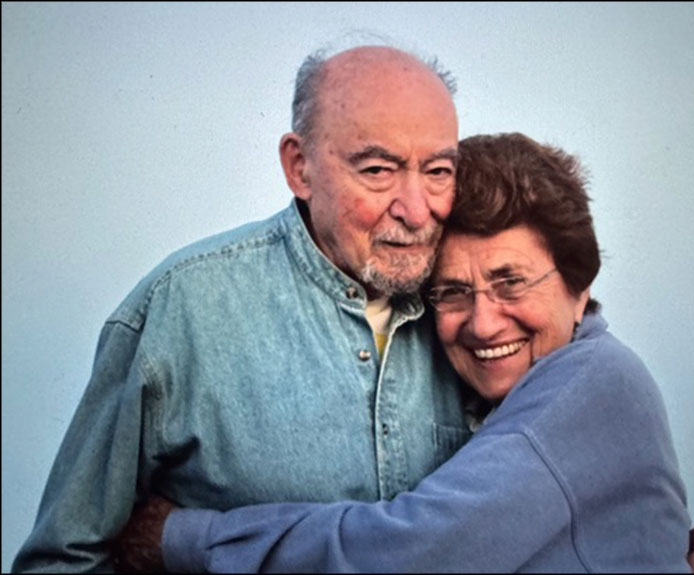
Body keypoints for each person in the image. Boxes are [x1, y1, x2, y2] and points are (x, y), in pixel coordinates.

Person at [115, 133, 694, 573]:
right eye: (453, 292)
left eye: (511, 283)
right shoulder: (538, 390)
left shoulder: (592, 381)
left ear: (580, 287)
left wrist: (181, 539)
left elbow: (405, 552)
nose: (483, 322)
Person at [11, 45, 472, 573]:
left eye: (438, 171)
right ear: (299, 167)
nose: (417, 210)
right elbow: (62, 560)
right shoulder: (181, 309)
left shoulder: (485, 316)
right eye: (377, 170)